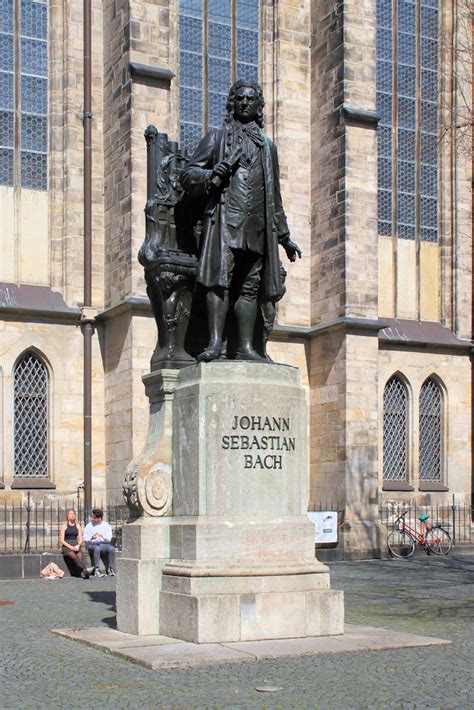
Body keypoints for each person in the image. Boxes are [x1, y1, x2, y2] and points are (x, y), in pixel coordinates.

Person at [179, 79, 302, 362]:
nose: (245, 103)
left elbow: (275, 197)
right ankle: (214, 343)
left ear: (259, 106)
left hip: (256, 227)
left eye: (250, 99)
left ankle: (245, 347)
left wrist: (284, 237)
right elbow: (187, 175)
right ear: (232, 104)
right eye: (240, 99)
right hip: (224, 222)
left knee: (250, 287)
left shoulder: (267, 147)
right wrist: (212, 175)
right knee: (218, 282)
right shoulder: (217, 137)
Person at [60, 509, 94, 579]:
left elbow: (80, 538)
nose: (72, 515)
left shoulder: (78, 525)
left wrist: (78, 545)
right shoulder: (64, 526)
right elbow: (62, 540)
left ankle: (84, 572)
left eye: (73, 514)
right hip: (67, 545)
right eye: (70, 514)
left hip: (76, 544)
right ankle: (86, 570)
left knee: (80, 557)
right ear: (67, 516)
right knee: (74, 557)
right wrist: (70, 547)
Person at [83, 508, 116, 577]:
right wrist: (91, 538)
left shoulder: (106, 526)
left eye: (94, 517)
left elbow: (109, 539)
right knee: (97, 548)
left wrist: (102, 535)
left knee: (111, 548)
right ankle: (97, 569)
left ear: (99, 518)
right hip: (92, 545)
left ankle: (110, 568)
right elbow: (85, 539)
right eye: (93, 517)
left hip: (103, 544)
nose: (93, 519)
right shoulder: (89, 526)